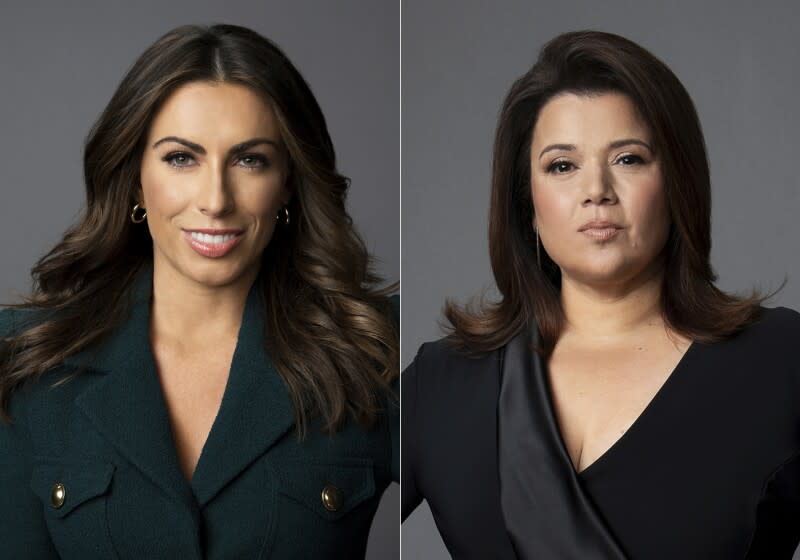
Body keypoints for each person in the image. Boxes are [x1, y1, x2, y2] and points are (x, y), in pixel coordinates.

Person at [0, 24, 398, 559]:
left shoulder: (375, 352)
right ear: (136, 179)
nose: (215, 199)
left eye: (250, 159)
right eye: (181, 158)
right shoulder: (31, 359)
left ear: (287, 184)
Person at [401, 29, 799, 559]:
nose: (597, 191)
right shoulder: (443, 382)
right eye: (562, 166)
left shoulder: (782, 360)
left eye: (629, 159)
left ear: (678, 181)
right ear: (528, 203)